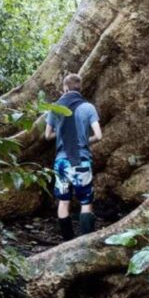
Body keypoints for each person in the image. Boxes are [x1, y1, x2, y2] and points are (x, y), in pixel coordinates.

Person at [45, 73, 103, 240]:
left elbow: (47, 136)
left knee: (63, 202)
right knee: (86, 202)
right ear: (80, 88)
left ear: (65, 88)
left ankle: (67, 242)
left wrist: (62, 134)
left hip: (61, 162)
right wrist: (84, 139)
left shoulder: (55, 108)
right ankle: (85, 243)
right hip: (81, 160)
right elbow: (99, 136)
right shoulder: (88, 107)